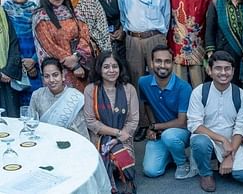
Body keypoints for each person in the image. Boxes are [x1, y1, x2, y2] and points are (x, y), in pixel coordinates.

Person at [118, 0, 170, 134]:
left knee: (159, 79)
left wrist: (159, 38)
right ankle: (140, 123)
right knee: (136, 82)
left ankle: (160, 123)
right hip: (133, 40)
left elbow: (167, 18)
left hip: (155, 38)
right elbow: (123, 18)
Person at [188, 50, 243, 191]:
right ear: (209, 70)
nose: (223, 73)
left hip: (232, 143)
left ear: (233, 71)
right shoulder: (199, 92)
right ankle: (205, 174)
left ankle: (222, 163)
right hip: (207, 140)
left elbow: (241, 128)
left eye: (227, 68)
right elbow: (195, 125)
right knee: (200, 142)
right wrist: (222, 140)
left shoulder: (242, 96)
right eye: (218, 68)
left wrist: (230, 155)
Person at [84, 51, 139, 193]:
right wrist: (116, 133)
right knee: (100, 161)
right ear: (99, 69)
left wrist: (120, 137)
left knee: (122, 157)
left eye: (115, 66)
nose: (111, 70)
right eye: (106, 67)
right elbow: (90, 121)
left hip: (124, 137)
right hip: (100, 138)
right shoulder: (91, 90)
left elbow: (133, 120)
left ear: (120, 69)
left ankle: (126, 179)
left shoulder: (129, 89)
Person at [138, 44, 194, 179]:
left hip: (181, 133)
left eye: (167, 61)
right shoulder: (143, 82)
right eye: (158, 61)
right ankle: (170, 154)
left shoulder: (184, 87)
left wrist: (154, 127)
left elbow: (182, 122)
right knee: (151, 171)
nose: (162, 65)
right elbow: (147, 105)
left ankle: (182, 163)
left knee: (169, 136)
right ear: (151, 63)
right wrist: (153, 124)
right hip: (160, 132)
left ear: (173, 63)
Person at [32, 0, 93, 92]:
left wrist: (77, 57)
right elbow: (49, 46)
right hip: (58, 72)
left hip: (81, 70)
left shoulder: (74, 13)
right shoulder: (41, 17)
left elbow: (85, 37)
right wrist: (73, 65)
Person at [167, 0, 214, 88]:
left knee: (199, 90)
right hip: (176, 50)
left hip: (198, 51)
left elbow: (210, 23)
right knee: (178, 90)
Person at [3, 0, 41, 106]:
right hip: (11, 68)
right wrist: (18, 64)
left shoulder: (36, 10)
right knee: (14, 108)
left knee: (34, 105)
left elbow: (43, 40)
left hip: (35, 66)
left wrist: (34, 61)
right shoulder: (3, 12)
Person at [29, 57, 89, 139]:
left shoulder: (76, 98)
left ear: (63, 75)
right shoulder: (37, 96)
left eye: (55, 75)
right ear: (43, 78)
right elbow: (30, 124)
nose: (51, 80)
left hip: (70, 142)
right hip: (43, 141)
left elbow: (81, 131)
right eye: (47, 76)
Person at [0, 6, 21, 117]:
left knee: (9, 122)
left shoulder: (2, 13)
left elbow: (13, 43)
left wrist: (8, 71)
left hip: (6, 78)